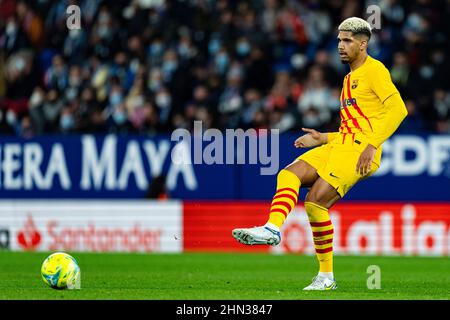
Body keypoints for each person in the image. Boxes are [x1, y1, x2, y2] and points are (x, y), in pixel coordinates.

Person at [232, 17, 408, 290]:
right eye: (339, 39)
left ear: (363, 45)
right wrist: (322, 137)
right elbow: (353, 127)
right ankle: (272, 228)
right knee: (289, 174)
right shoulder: (349, 78)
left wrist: (372, 144)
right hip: (340, 144)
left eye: (347, 40)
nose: (340, 45)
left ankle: (326, 277)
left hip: (361, 150)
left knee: (315, 203)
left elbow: (398, 110)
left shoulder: (375, 71)